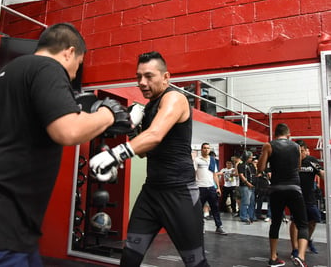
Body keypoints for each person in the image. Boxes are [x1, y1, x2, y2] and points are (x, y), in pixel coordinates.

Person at [0, 23, 133, 267]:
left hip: (10, 224)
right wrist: (108, 114)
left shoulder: (10, 73)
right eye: (78, 65)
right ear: (69, 52)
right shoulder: (47, 67)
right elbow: (68, 130)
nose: (73, 74)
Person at [89, 51, 209, 267]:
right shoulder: (150, 107)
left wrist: (115, 155)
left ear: (166, 77)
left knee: (196, 263)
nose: (142, 82)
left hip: (179, 194)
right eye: (138, 77)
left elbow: (155, 136)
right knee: (129, 257)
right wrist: (132, 129)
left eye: (149, 76)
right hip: (151, 194)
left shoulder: (174, 98)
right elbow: (144, 152)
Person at [258, 123, 309, 267]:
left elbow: (260, 168)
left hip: (276, 189)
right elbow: (298, 167)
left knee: (276, 223)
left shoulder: (269, 145)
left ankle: (273, 258)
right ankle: (301, 256)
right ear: (288, 135)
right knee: (303, 224)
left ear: (275, 135)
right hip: (294, 188)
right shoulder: (297, 147)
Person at [289, 140, 325, 258]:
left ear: (305, 150)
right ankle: (295, 248)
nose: (300, 153)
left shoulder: (311, 161)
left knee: (314, 220)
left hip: (309, 197)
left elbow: (321, 174)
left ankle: (307, 240)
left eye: (302, 151)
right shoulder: (292, 161)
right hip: (295, 196)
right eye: (298, 151)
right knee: (295, 222)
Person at [194, 143, 228, 235]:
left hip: (211, 188)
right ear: (201, 149)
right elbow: (193, 173)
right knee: (198, 209)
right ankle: (201, 227)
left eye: (208, 148)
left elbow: (215, 174)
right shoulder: (197, 160)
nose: (206, 150)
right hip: (200, 188)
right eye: (204, 148)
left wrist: (218, 188)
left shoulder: (212, 160)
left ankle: (219, 227)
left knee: (215, 208)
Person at [237, 151, 257, 224]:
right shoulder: (241, 165)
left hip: (252, 186)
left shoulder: (251, 165)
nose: (251, 159)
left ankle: (251, 216)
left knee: (252, 202)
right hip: (245, 186)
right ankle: (244, 216)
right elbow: (241, 175)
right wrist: (247, 183)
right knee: (245, 202)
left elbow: (255, 173)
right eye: (250, 158)